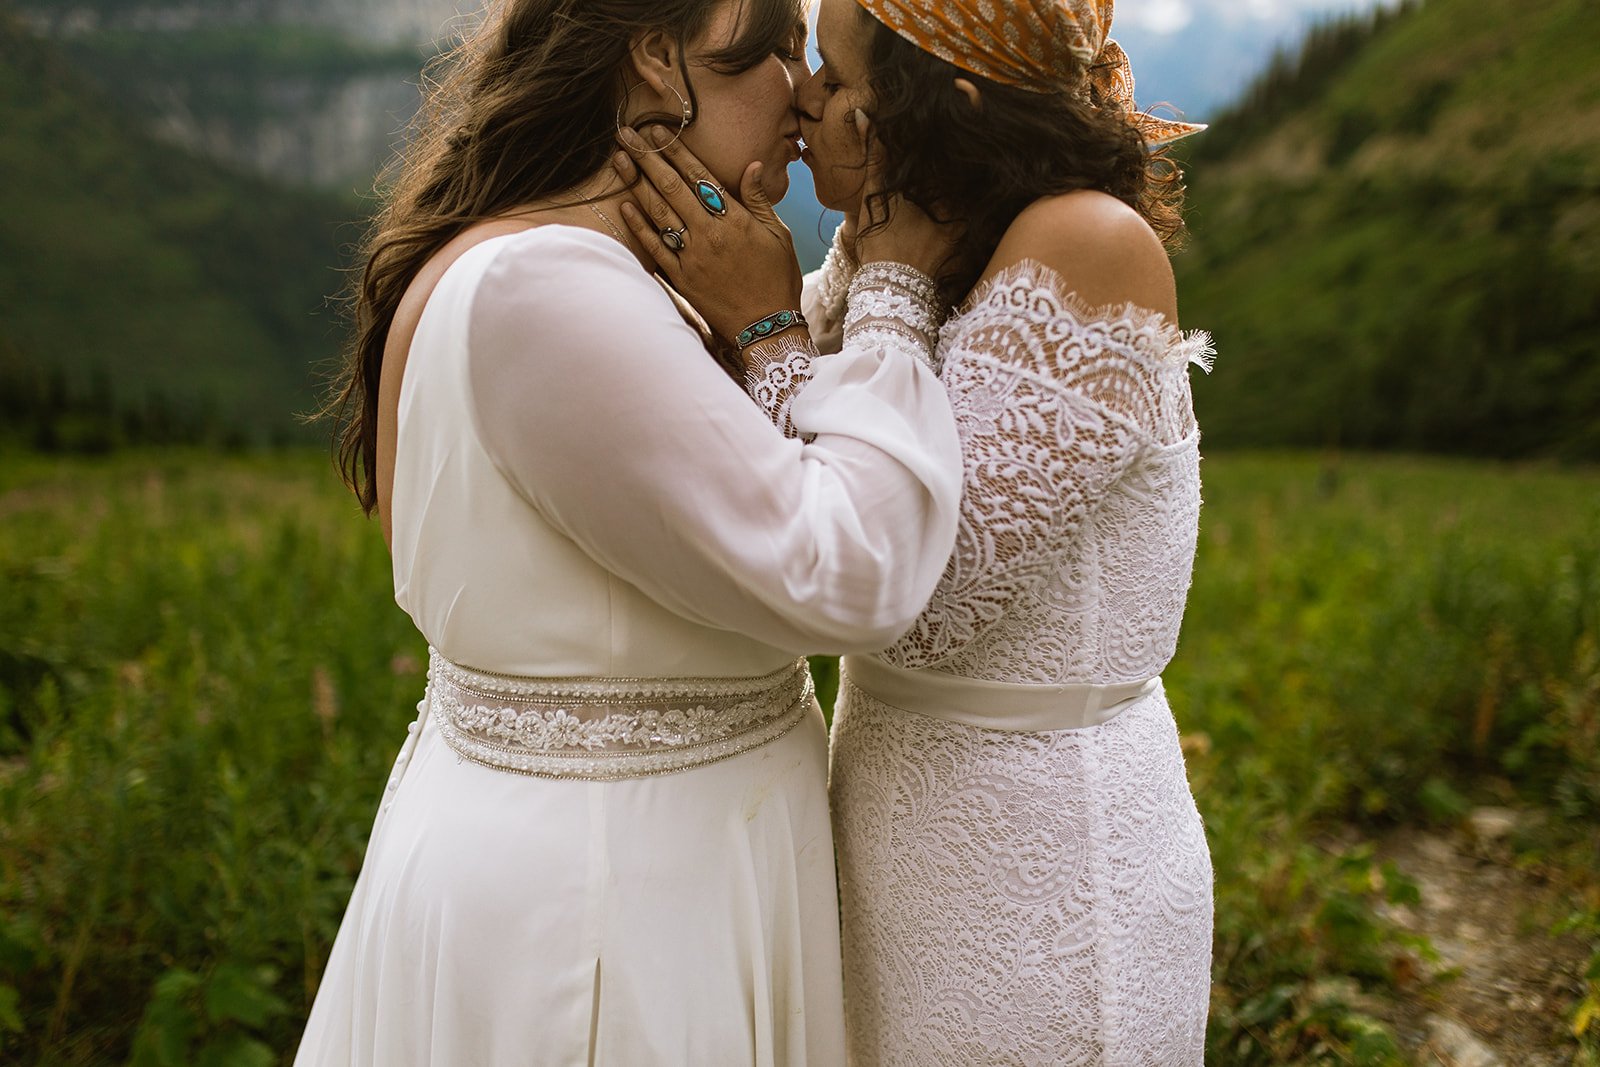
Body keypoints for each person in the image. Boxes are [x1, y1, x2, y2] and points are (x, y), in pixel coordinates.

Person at [295, 0, 964, 1062]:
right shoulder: (547, 287)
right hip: (619, 905)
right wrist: (858, 301)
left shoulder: (546, 265)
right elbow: (851, 577)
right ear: (656, 59)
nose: (801, 90)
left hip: (648, 859)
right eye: (772, 51)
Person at [641, 0, 1217, 1060]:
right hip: (901, 820)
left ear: (934, 104)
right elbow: (762, 464)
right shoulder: (892, 245)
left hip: (1045, 858)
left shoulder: (1084, 242)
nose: (803, 98)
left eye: (834, 77)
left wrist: (780, 320)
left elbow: (913, 598)